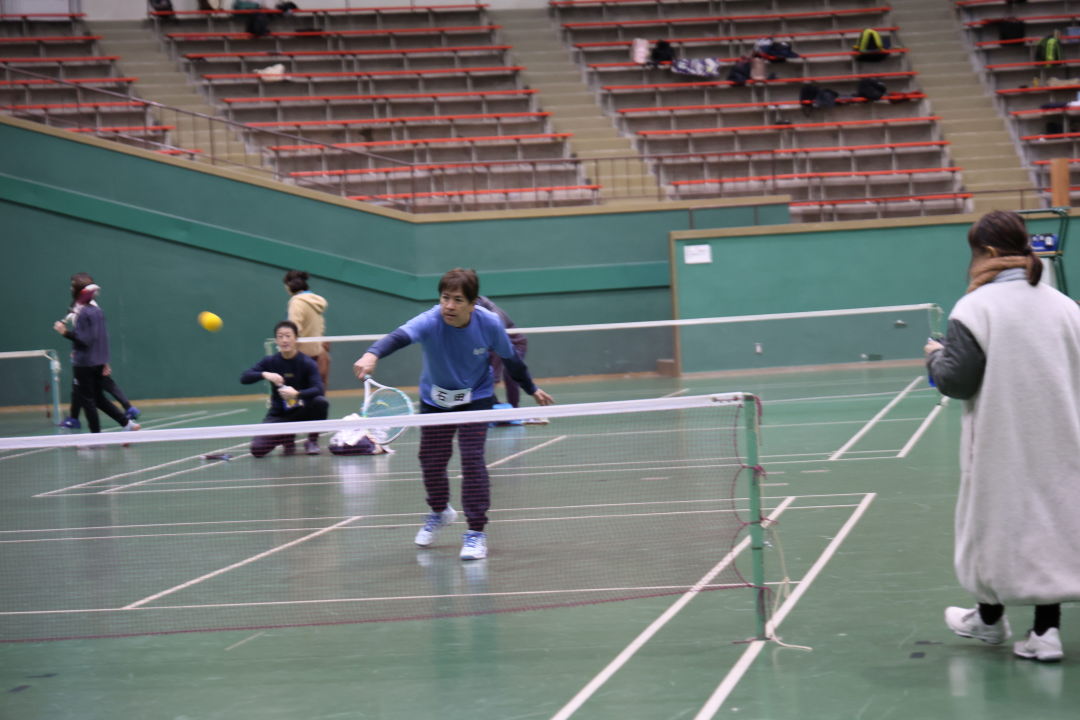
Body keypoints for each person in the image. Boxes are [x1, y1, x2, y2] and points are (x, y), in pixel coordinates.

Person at [925, 210, 1080, 663]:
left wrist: (935, 358)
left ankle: (990, 620)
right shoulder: (1066, 307)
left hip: (1001, 443)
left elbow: (956, 382)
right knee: (1052, 527)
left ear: (988, 252)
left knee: (992, 526)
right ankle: (1043, 631)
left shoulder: (975, 308)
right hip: (1062, 440)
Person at [352, 268, 554, 561]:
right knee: (431, 461)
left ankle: (475, 532)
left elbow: (512, 361)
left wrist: (532, 389)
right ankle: (439, 511)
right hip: (434, 400)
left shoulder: (489, 324)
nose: (449, 305)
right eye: (445, 298)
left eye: (458, 300)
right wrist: (372, 354)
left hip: (476, 397)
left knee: (472, 460)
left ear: (472, 303)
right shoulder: (430, 320)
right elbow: (398, 337)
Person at [52, 282, 140, 435]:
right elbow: (97, 336)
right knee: (98, 398)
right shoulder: (91, 310)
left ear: (80, 290)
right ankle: (127, 424)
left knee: (88, 400)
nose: (71, 288)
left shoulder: (86, 312)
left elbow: (87, 339)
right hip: (94, 360)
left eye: (73, 285)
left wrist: (64, 332)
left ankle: (95, 438)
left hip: (85, 363)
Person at [241, 320, 329, 457]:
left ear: (296, 339)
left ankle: (312, 441)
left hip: (303, 412)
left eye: (288, 336)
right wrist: (264, 374)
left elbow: (319, 389)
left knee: (320, 402)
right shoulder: (270, 361)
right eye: (280, 336)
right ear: (276, 340)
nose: (284, 340)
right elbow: (244, 378)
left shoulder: (307, 363)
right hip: (280, 415)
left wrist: (297, 394)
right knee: (257, 450)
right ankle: (287, 438)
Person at [475, 295, 527, 408]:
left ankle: (514, 408)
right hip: (490, 345)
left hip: (515, 343)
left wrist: (495, 379)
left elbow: (498, 353)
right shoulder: (476, 309)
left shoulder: (495, 318)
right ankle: (493, 403)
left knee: (510, 373)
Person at [284, 269, 330, 389]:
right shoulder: (315, 301)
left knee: (298, 392)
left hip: (302, 355)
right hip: (318, 352)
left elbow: (294, 328)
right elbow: (321, 327)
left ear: (289, 285)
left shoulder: (296, 302)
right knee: (317, 390)